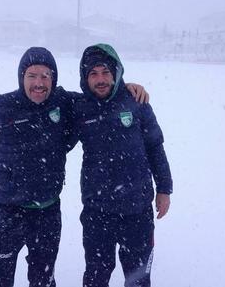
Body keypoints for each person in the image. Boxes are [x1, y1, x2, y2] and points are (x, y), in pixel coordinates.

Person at [0, 47, 148, 287]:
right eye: (32, 75)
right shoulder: (1, 107)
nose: (39, 83)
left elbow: (99, 94)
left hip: (47, 213)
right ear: (22, 77)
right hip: (7, 212)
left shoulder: (64, 102)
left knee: (43, 279)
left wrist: (125, 89)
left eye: (46, 76)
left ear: (53, 79)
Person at [72, 43, 173, 287]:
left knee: (138, 279)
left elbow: (155, 147)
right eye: (93, 74)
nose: (100, 79)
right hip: (97, 212)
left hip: (137, 211)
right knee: (95, 277)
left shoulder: (136, 102)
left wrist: (164, 188)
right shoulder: (78, 107)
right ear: (85, 78)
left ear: (116, 73)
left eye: (106, 72)